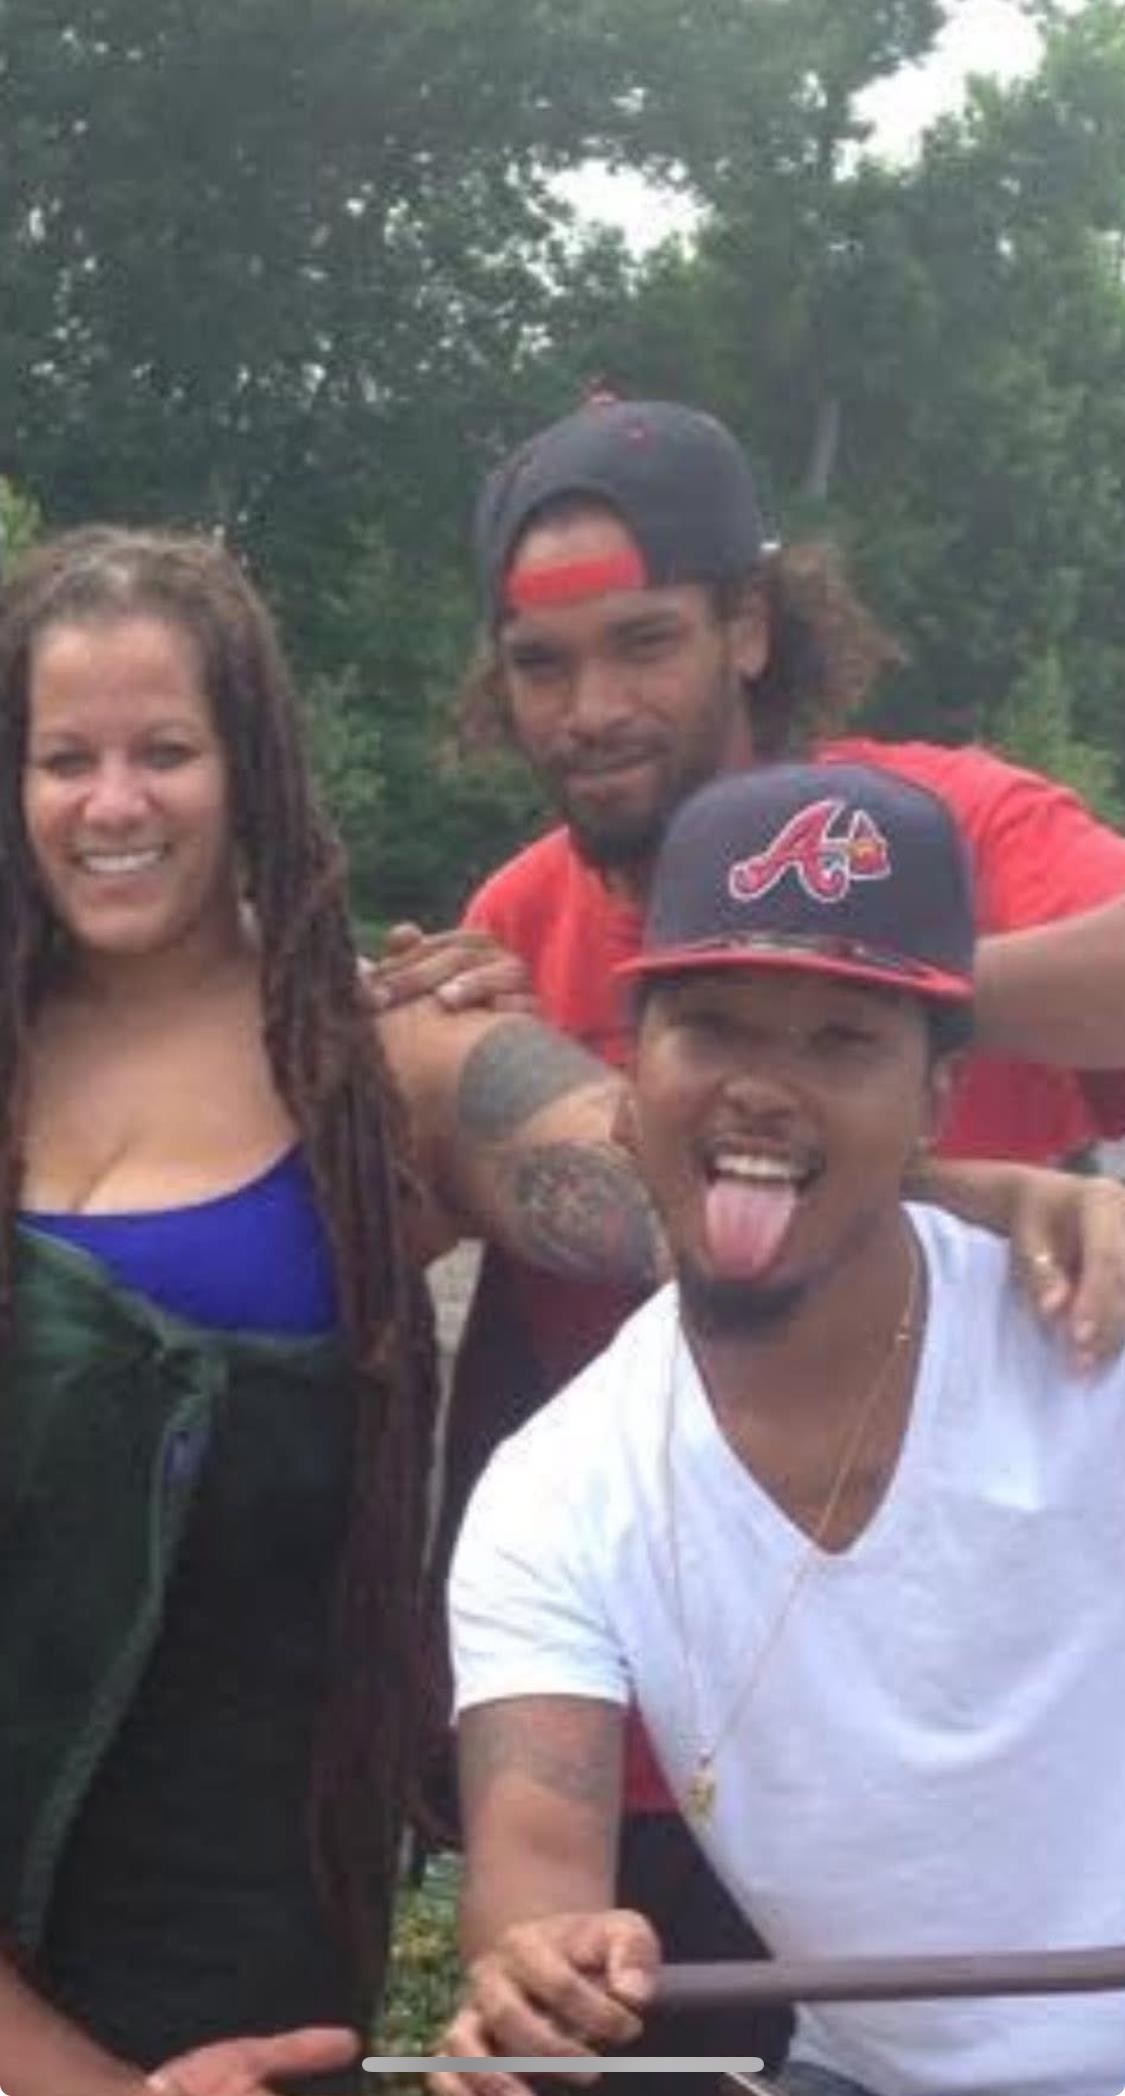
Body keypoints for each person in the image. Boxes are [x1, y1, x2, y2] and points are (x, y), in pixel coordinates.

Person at [388, 395, 1125, 2080]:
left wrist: (894, 978)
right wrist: (407, 1063)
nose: (592, 708)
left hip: (1006, 1688)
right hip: (682, 1720)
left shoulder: (947, 822)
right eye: (540, 662)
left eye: (641, 642)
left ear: (748, 628)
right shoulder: (517, 919)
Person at [0, 524, 677, 2096]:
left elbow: (716, 1196)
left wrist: (1000, 1205)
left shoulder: (385, 1070)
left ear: (249, 769)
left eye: (164, 751)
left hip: (238, 1942)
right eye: (61, 759)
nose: (111, 805)